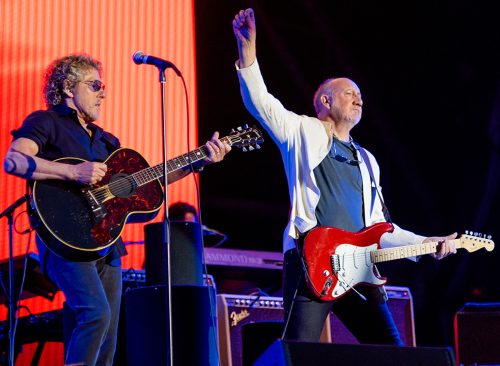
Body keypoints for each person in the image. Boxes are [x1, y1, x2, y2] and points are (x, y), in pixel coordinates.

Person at [232, 8, 457, 345]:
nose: (359, 99)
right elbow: (262, 103)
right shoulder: (302, 130)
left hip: (359, 269)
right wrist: (248, 53)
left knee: (392, 353)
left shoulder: (368, 161)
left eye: (360, 96)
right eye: (349, 93)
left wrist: (425, 244)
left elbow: (382, 229)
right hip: (312, 261)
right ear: (325, 100)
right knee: (299, 353)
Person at [3, 54, 231, 365]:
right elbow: (14, 161)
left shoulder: (107, 141)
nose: (103, 93)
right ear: (69, 88)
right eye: (95, 85)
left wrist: (198, 162)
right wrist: (73, 172)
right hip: (64, 238)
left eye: (103, 86)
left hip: (106, 242)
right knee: (96, 313)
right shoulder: (46, 122)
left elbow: (148, 184)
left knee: (108, 333)